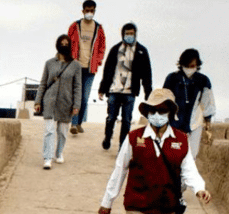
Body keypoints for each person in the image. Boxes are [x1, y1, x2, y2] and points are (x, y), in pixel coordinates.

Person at [98, 22, 152, 151]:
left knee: (127, 120)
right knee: (111, 118)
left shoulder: (141, 51)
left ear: (135, 34)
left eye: (132, 33)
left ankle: (122, 146)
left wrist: (148, 93)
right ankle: (107, 137)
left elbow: (147, 74)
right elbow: (107, 70)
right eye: (127, 33)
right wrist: (102, 89)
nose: (129, 36)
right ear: (123, 34)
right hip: (114, 90)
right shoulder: (115, 49)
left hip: (130, 91)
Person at [34, 35, 81, 170]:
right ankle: (47, 158)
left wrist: (76, 105)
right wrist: (38, 101)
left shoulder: (75, 65)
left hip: (66, 102)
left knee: (62, 132)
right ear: (57, 45)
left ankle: (59, 152)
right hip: (49, 101)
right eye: (62, 43)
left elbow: (78, 86)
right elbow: (43, 83)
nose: (64, 45)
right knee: (49, 130)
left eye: (67, 43)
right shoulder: (49, 63)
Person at [163, 49, 216, 158]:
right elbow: (164, 99)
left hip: (194, 124)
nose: (189, 68)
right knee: (173, 155)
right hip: (174, 122)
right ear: (181, 64)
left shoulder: (203, 80)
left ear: (197, 65)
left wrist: (208, 123)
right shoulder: (172, 78)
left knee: (191, 156)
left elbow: (207, 103)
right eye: (187, 65)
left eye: (192, 66)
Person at [68, 0, 106, 134]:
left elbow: (102, 47)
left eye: (92, 10)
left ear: (94, 11)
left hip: (90, 69)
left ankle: (79, 123)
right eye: (87, 10)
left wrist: (98, 60)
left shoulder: (98, 28)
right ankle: (73, 124)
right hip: (76, 66)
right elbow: (67, 43)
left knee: (84, 97)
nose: (90, 13)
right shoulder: (75, 26)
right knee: (76, 96)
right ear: (83, 11)